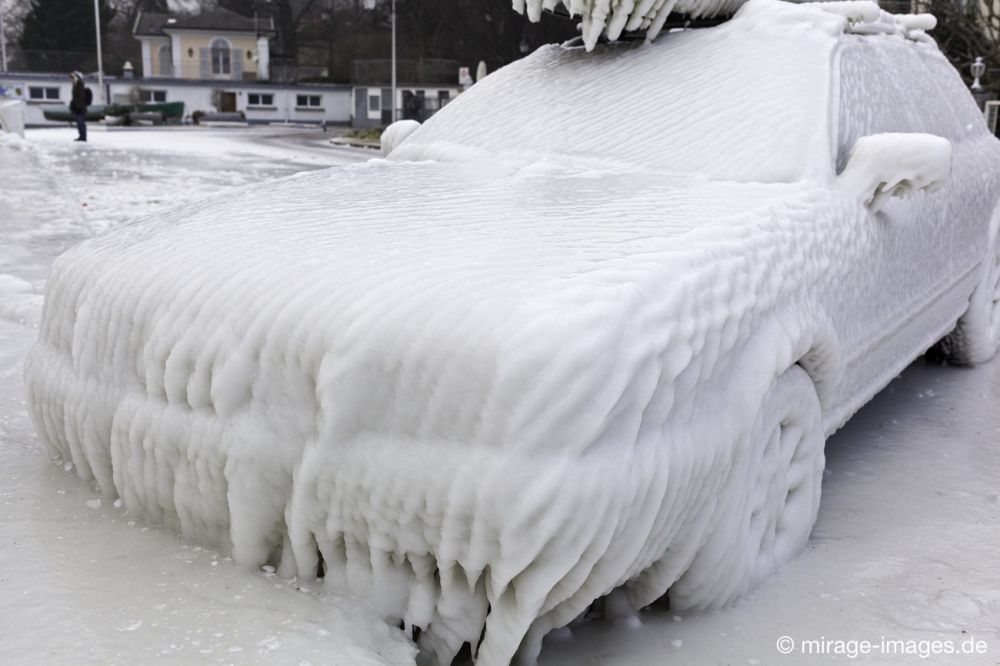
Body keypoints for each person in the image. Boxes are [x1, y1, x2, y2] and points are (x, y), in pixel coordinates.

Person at [69, 71, 88, 142]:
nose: (71, 79)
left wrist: (78, 107)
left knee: (81, 122)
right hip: (77, 107)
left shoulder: (80, 84)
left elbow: (80, 97)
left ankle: (83, 137)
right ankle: (81, 136)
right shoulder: (75, 85)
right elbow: (75, 98)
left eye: (72, 77)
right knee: (79, 123)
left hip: (80, 108)